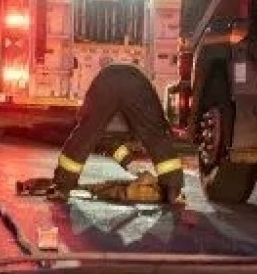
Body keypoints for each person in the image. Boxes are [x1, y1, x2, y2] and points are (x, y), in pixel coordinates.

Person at [49, 63, 186, 205]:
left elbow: (114, 147)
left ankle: (62, 188)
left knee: (83, 137)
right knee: (156, 137)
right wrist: (135, 168)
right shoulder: (131, 129)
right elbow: (157, 133)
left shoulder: (106, 135)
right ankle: (173, 192)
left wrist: (134, 168)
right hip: (135, 82)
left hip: (106, 81)